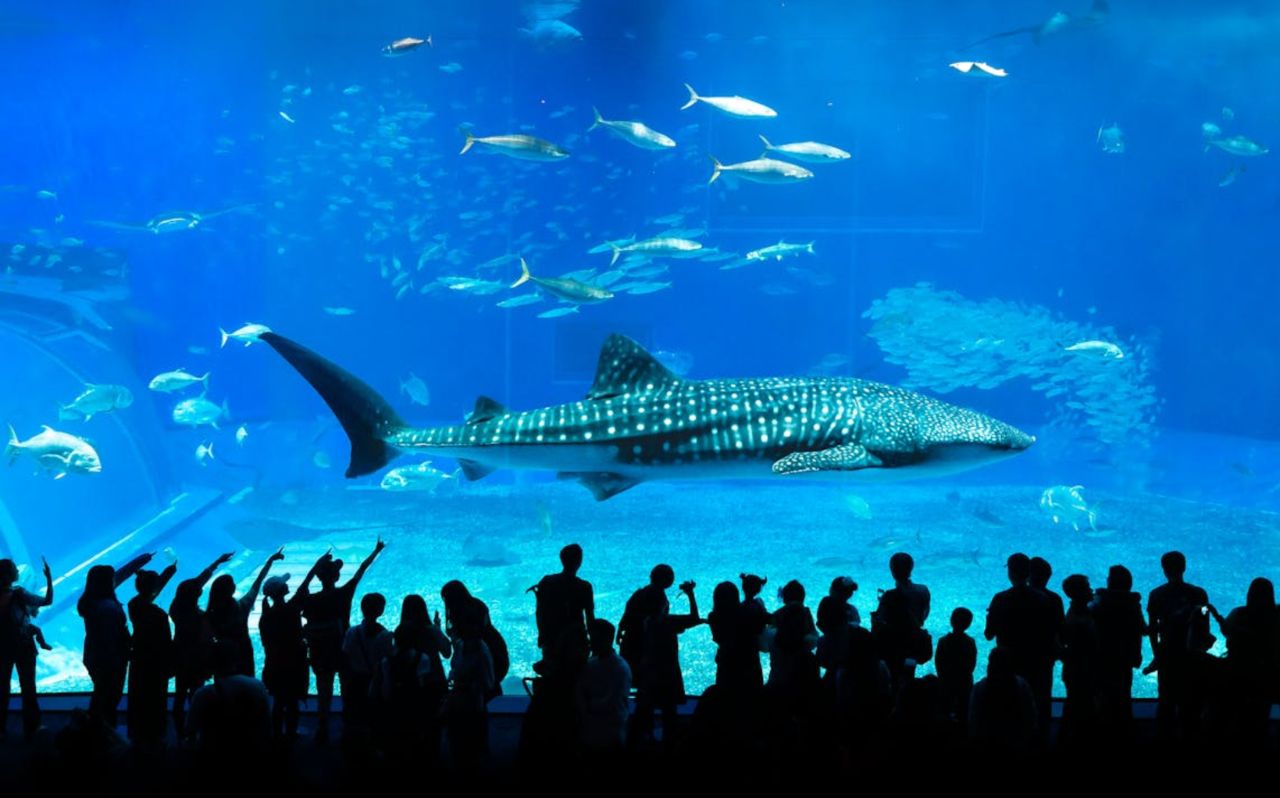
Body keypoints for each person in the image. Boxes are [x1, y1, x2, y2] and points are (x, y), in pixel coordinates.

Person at [301, 540, 386, 742]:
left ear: (320, 578)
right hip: (343, 650)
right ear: (337, 576)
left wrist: (316, 565)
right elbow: (360, 571)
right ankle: (349, 727)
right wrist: (376, 550)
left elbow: (303, 586)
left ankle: (322, 728)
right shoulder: (343, 594)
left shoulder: (311, 600)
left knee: (324, 692)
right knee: (347, 689)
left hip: (320, 652)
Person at [372, 594, 451, 763]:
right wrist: (438, 629)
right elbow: (447, 652)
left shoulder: (400, 632)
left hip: (407, 687)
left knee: (408, 722)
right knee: (432, 724)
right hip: (434, 683)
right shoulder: (431, 630)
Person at [79, 552, 153, 730]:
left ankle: (97, 731)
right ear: (106, 583)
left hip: (94, 654)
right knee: (109, 699)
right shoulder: (107, 607)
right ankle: (102, 734)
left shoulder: (91, 599)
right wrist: (125, 652)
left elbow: (119, 575)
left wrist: (138, 561)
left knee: (101, 695)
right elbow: (112, 637)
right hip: (110, 658)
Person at [984, 552, 1053, 737]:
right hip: (1035, 663)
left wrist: (990, 616)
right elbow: (1049, 633)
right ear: (1028, 573)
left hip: (1007, 664)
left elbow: (989, 634)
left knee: (1007, 708)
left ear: (1010, 573)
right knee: (1035, 707)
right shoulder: (1043, 599)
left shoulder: (1000, 599)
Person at [1146, 550, 1212, 740]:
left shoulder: (1156, 594)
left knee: (1166, 701)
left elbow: (1152, 629)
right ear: (1184, 567)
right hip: (1193, 655)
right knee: (1192, 702)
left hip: (1167, 654)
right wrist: (1202, 647)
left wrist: (1157, 655)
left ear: (1163, 570)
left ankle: (1163, 740)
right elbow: (1205, 621)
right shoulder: (1199, 593)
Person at [1207, 577, 1280, 747]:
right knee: (1261, 713)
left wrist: (1218, 617)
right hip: (1268, 674)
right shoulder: (1277, 615)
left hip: (1239, 672)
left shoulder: (1239, 613)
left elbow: (1228, 632)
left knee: (1237, 714)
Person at [169, 551, 233, 736]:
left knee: (180, 695)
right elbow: (206, 635)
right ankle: (197, 731)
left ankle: (182, 733)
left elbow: (196, 582)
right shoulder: (197, 617)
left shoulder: (177, 608)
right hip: (197, 659)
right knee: (197, 696)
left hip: (181, 657)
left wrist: (216, 563)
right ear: (194, 596)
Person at [259, 566, 319, 742]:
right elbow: (305, 585)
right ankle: (291, 733)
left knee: (278, 701)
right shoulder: (291, 609)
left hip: (275, 664)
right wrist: (317, 565)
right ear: (281, 591)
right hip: (294, 663)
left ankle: (277, 733)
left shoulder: (266, 616)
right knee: (292, 701)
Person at [186, 641, 271, 760]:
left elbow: (191, 729)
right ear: (236, 661)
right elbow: (267, 722)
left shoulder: (203, 694)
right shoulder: (258, 686)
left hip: (214, 754)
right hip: (252, 754)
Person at [1, 556, 53, 742]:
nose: (17, 571)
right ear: (9, 574)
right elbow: (47, 600)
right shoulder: (19, 593)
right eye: (14, 568)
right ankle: (32, 728)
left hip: (2, 648)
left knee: (1, 689)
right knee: (28, 688)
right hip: (23, 646)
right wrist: (49, 577)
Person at [207, 548, 282, 677]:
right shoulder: (242, 606)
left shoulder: (210, 613)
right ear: (232, 590)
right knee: (246, 685)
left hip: (222, 654)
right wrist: (270, 561)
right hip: (243, 651)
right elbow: (258, 582)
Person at [1091, 564, 1146, 736]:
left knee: (1102, 697)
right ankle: (1124, 733)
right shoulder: (1132, 605)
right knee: (1123, 696)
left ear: (1110, 582)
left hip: (1101, 659)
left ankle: (1102, 733)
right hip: (1124, 659)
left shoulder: (1098, 603)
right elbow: (1142, 629)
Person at [126, 564, 178, 746]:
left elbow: (150, 590)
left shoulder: (134, 605)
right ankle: (155, 731)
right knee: (156, 696)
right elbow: (166, 641)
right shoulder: (158, 615)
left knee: (138, 693)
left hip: (139, 657)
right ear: (154, 588)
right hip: (156, 660)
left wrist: (168, 572)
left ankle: (136, 729)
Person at [529, 543, 595, 678]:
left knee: (553, 680)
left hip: (551, 640)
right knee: (575, 680)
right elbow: (590, 618)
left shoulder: (547, 582)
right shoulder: (584, 587)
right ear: (579, 562)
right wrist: (594, 642)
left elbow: (540, 613)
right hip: (576, 642)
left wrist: (542, 636)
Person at [441, 579, 508, 699]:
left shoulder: (463, 619)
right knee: (491, 686)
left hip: (483, 656)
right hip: (496, 649)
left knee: (482, 689)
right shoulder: (477, 604)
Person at [872, 552, 932, 681]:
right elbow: (925, 614)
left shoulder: (889, 596)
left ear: (892, 571)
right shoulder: (923, 590)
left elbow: (882, 622)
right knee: (908, 677)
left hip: (892, 645)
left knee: (892, 677)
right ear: (911, 568)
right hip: (914, 644)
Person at [575, 618, 631, 756]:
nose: (590, 641)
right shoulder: (592, 663)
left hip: (609, 730)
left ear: (606, 639)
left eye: (594, 638)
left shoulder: (619, 668)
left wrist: (585, 709)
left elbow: (612, 702)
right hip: (593, 726)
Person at [446, 615, 496, 768]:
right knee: (458, 737)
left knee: (471, 736)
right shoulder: (462, 645)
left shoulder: (481, 651)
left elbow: (488, 681)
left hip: (472, 700)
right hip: (460, 697)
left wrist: (469, 685)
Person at [341, 592, 393, 737]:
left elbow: (345, 656)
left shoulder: (352, 632)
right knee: (374, 719)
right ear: (380, 611)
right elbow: (388, 658)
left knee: (354, 718)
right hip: (376, 682)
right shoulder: (385, 635)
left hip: (355, 681)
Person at [968, 646, 1037, 751]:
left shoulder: (979, 688)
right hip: (1016, 744)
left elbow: (974, 720)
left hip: (986, 744)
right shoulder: (1022, 686)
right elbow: (1030, 717)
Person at [1059, 574, 1100, 746]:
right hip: (1081, 669)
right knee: (1083, 706)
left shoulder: (1077, 611)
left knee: (1074, 705)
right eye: (1087, 587)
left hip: (1074, 668)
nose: (1091, 589)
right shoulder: (1081, 617)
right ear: (1079, 592)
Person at [769, 579, 820, 711]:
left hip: (779, 675)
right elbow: (814, 640)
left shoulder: (777, 615)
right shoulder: (805, 613)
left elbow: (769, 642)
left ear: (784, 599)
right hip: (803, 677)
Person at [1028, 556, 1065, 733]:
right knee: (1043, 697)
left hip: (1018, 657)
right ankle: (1043, 736)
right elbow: (1061, 630)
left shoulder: (1009, 596)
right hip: (1045, 657)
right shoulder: (1054, 599)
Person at [934, 607, 977, 725]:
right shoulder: (970, 642)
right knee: (964, 711)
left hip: (945, 682)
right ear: (968, 624)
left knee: (944, 710)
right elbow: (972, 665)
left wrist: (943, 677)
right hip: (965, 682)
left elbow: (938, 662)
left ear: (951, 620)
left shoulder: (943, 641)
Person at [816, 576, 859, 685]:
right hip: (851, 659)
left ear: (832, 590)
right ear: (850, 594)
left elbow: (821, 623)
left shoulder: (823, 643)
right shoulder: (852, 611)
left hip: (831, 660)